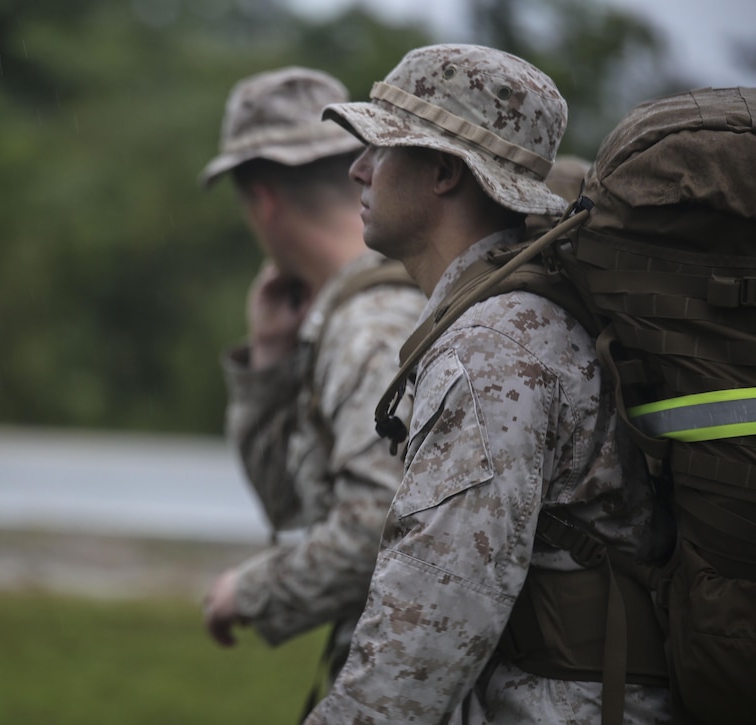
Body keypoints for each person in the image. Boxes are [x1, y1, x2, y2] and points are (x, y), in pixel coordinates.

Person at [305, 44, 672, 723]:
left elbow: (418, 649)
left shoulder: (492, 350)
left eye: (381, 149)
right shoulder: (507, 320)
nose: (357, 169)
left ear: (444, 171)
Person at [197, 66, 427, 706]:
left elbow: (380, 524)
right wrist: (269, 362)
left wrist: (251, 591)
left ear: (263, 200)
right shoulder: (371, 303)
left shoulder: (368, 328)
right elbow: (299, 508)